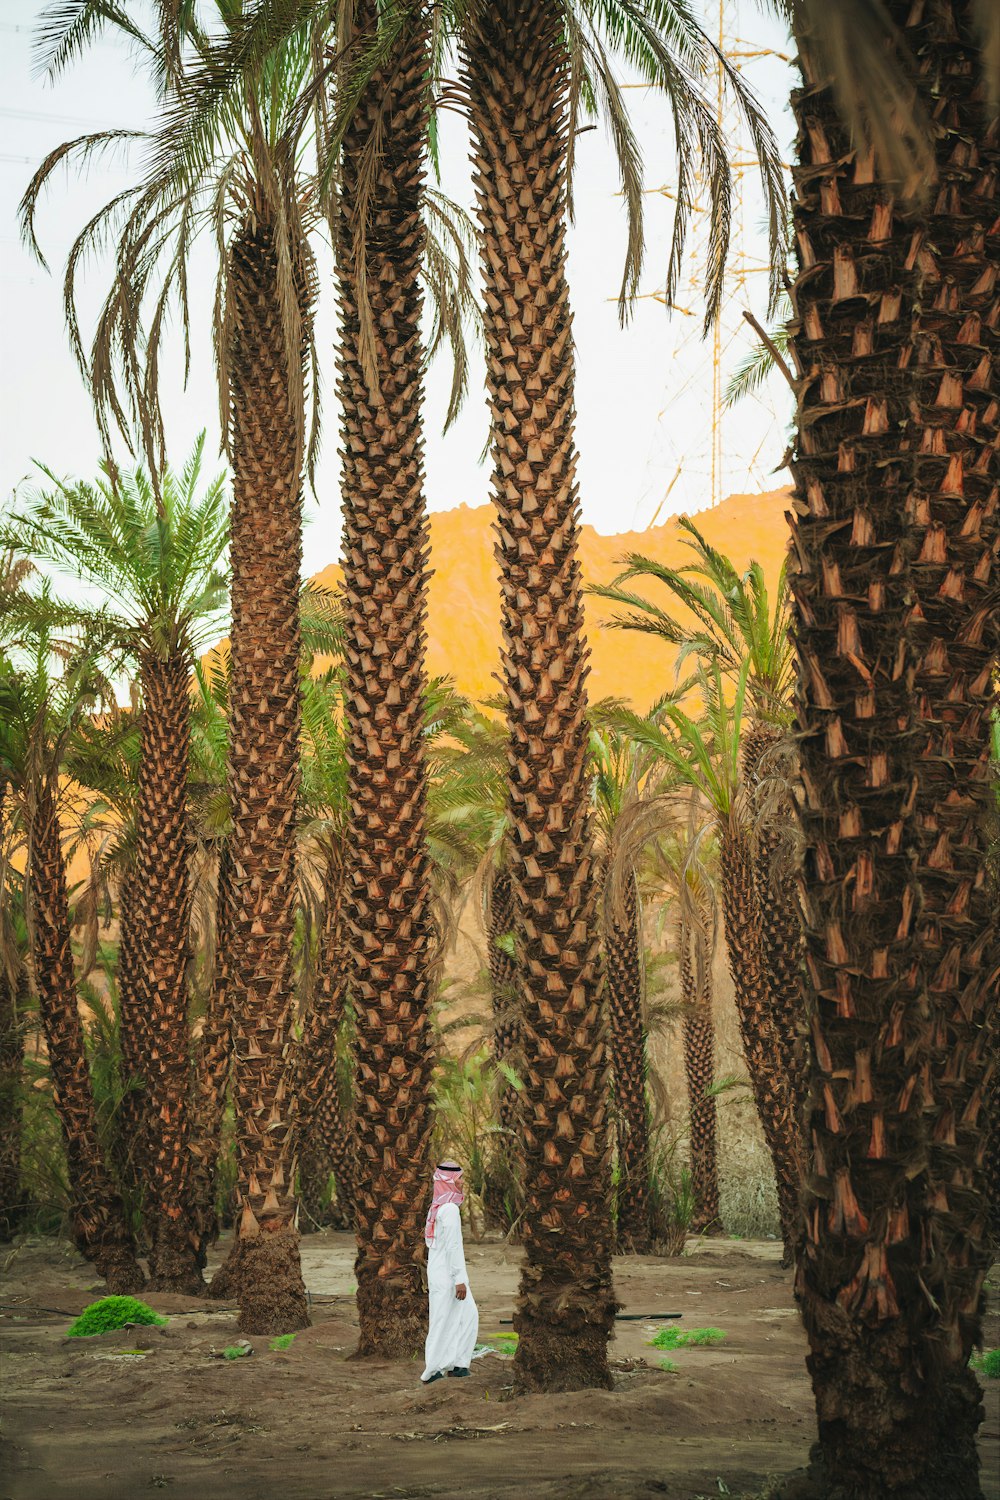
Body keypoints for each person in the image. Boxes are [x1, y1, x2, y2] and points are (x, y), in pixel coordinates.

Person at [420, 1160, 478, 1384]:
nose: (462, 1183)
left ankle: (458, 1365)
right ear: (449, 1182)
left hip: (442, 1273)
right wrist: (459, 1280)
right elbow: (453, 1248)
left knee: (467, 1315)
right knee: (443, 1320)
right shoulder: (450, 1210)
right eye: (459, 1179)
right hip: (449, 1275)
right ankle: (432, 1370)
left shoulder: (440, 1207)